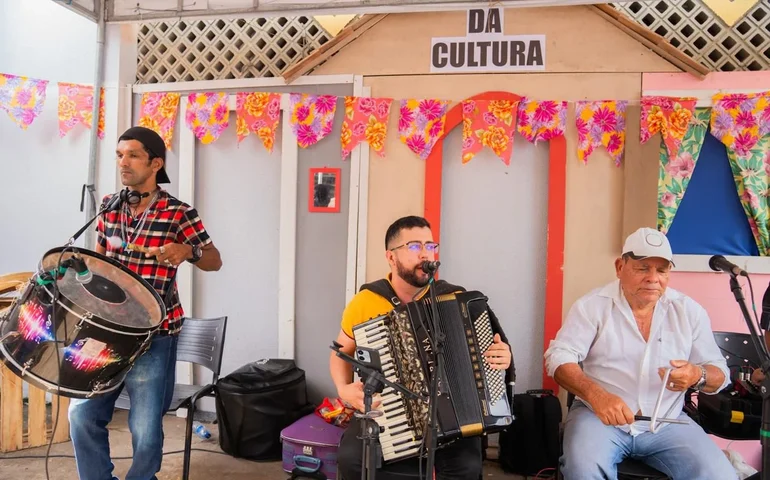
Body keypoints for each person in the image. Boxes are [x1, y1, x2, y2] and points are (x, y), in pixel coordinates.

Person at [68, 126, 223, 480]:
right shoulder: (109, 206)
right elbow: (101, 262)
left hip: (156, 335)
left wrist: (188, 250)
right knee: (81, 414)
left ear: (155, 163)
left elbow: (214, 260)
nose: (124, 163)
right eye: (119, 155)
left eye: (133, 155)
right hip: (108, 330)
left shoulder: (179, 212)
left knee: (145, 428)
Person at [330, 215, 514, 480]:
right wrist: (343, 388)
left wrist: (501, 357)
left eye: (430, 246)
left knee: (467, 468)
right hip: (387, 409)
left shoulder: (455, 300)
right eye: (414, 247)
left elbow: (483, 360)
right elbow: (341, 351)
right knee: (352, 460)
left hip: (451, 417)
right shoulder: (365, 302)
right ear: (391, 257)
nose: (426, 254)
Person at [544, 227, 737, 480]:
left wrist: (696, 375)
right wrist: (596, 395)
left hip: (667, 422)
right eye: (643, 267)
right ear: (619, 267)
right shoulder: (592, 307)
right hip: (598, 419)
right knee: (583, 470)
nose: (653, 278)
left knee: (720, 475)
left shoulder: (689, 311)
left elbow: (720, 373)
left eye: (662, 270)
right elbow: (558, 356)